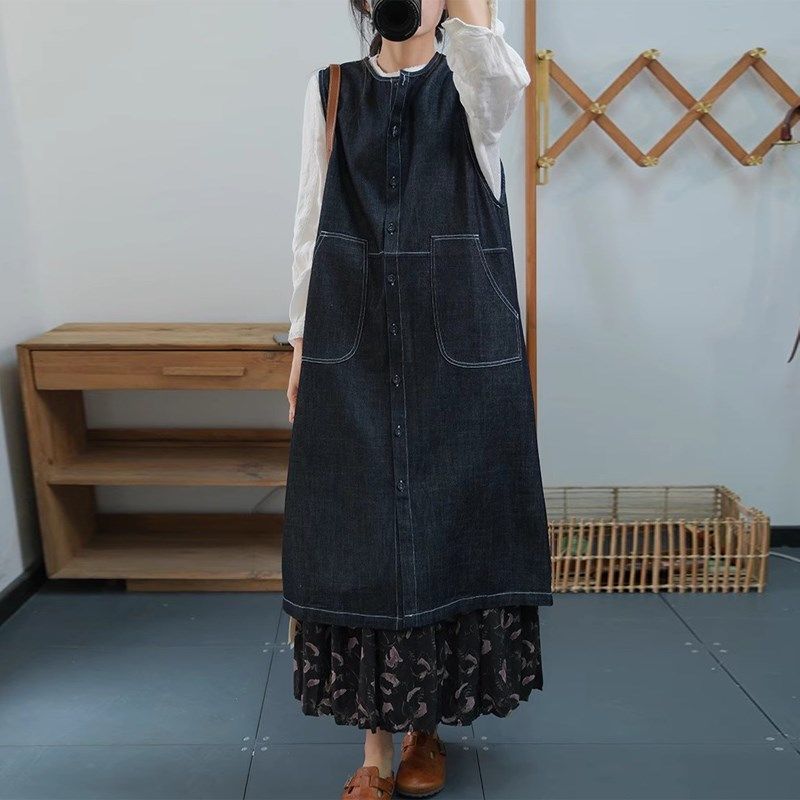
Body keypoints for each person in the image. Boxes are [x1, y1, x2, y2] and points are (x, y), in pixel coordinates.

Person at [283, 1, 553, 797]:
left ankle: (424, 729)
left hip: (457, 346)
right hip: (352, 339)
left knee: (449, 531)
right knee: (360, 537)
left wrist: (468, 12)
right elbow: (309, 221)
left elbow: (499, 82)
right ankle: (373, 751)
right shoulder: (331, 89)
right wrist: (298, 342)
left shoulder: (475, 85)